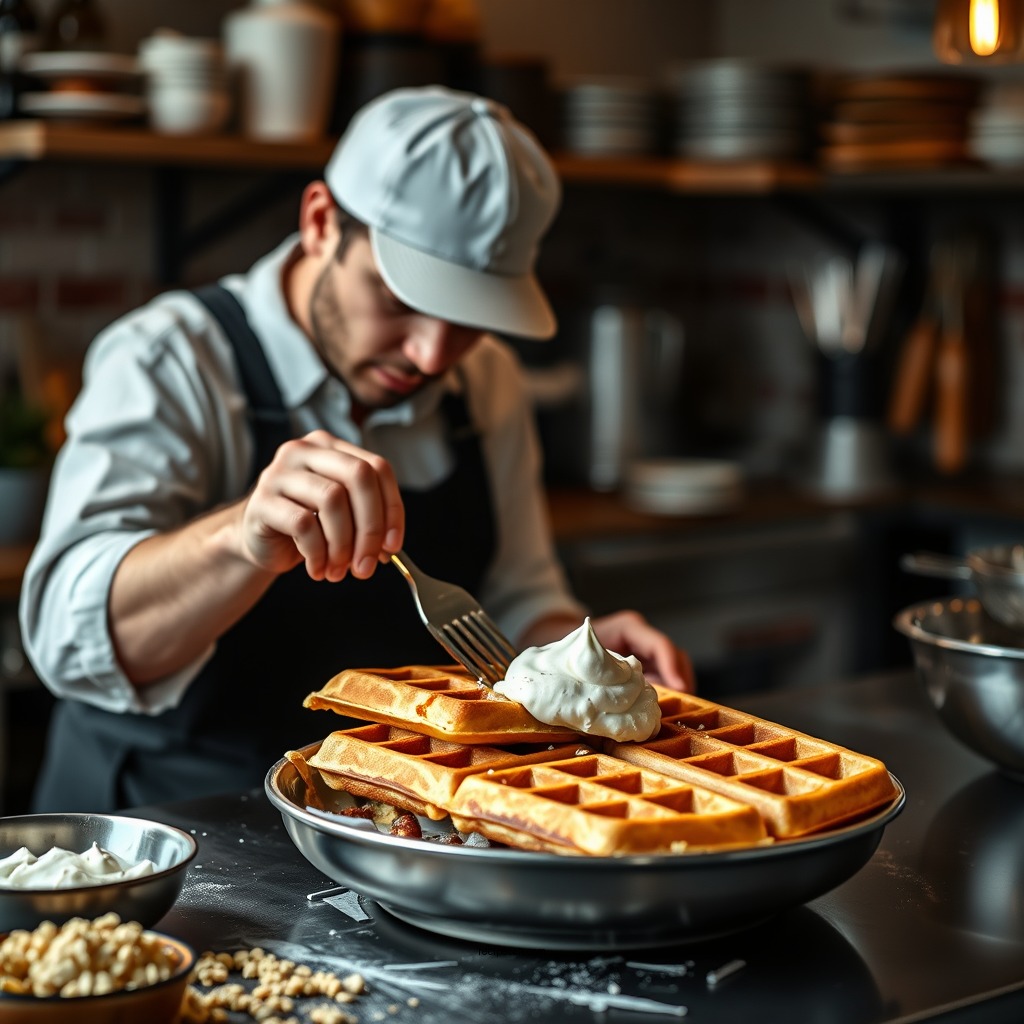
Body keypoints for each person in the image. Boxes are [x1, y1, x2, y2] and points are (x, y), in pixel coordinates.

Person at [19, 86, 694, 814]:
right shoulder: (169, 359)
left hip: (374, 827)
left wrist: (575, 655)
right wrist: (240, 538)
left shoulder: (485, 378)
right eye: (399, 298)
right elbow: (65, 637)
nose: (432, 352)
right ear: (319, 224)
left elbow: (520, 594)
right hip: (168, 835)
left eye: (468, 317)